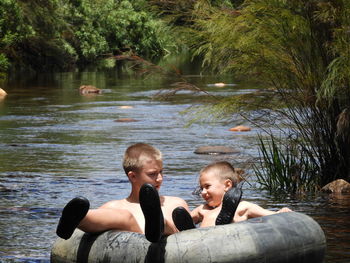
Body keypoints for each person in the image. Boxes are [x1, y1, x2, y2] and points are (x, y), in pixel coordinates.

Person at [56, 143, 190, 242]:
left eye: (161, 172)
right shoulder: (115, 207)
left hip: (167, 243)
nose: (160, 178)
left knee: (167, 219)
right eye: (152, 174)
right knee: (125, 217)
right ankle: (77, 219)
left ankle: (159, 225)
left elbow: (190, 236)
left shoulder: (175, 202)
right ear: (132, 176)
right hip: (134, 245)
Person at [172, 161, 292, 231]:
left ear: (227, 185)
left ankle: (225, 220)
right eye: (201, 188)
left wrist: (281, 212)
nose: (203, 192)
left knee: (235, 212)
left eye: (207, 186)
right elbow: (178, 223)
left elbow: (271, 216)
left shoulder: (243, 207)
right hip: (203, 243)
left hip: (229, 242)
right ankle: (190, 232)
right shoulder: (202, 210)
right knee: (187, 223)